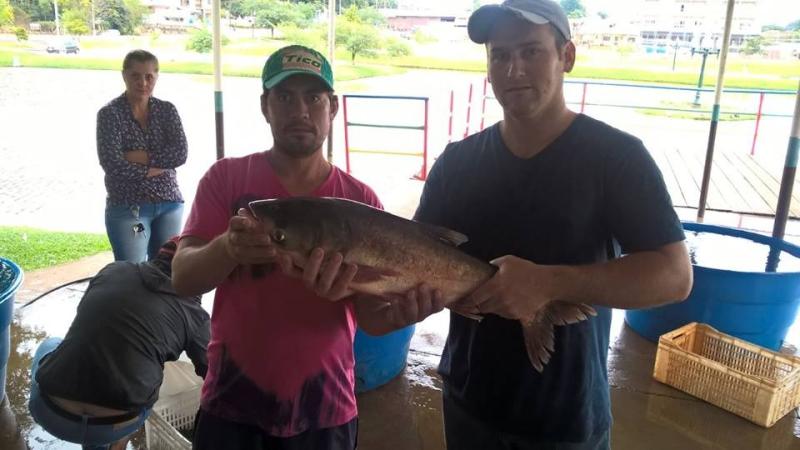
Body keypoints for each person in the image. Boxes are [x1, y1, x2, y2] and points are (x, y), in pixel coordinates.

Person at [411, 1, 694, 449]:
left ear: (567, 56)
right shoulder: (456, 163)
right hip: (469, 402)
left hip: (567, 419)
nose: (513, 69)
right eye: (499, 55)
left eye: (531, 51)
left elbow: (674, 276)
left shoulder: (617, 157)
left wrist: (548, 282)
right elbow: (414, 258)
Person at [171, 45, 440, 450]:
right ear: (265, 106)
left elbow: (373, 319)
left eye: (313, 97)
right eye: (285, 97)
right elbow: (183, 278)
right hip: (231, 399)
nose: (300, 110)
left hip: (325, 407)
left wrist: (407, 309)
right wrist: (228, 247)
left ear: (332, 107)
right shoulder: (226, 179)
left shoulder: (360, 199)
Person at [28, 237, 210, 450]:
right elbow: (215, 377)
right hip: (115, 423)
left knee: (51, 344)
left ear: (158, 256)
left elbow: (89, 321)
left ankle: (96, 443)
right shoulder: (196, 316)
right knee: (146, 376)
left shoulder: (113, 270)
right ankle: (109, 444)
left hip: (51, 411)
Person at [97, 49, 188, 262]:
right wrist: (159, 166)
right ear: (124, 76)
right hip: (130, 207)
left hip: (169, 203)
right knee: (132, 272)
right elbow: (112, 164)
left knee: (166, 270)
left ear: (156, 76)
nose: (143, 82)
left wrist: (137, 157)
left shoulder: (167, 110)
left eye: (149, 76)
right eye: (135, 76)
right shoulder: (110, 114)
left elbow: (180, 154)